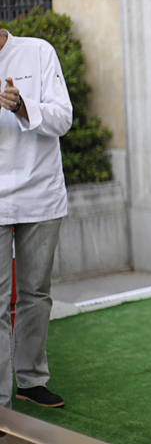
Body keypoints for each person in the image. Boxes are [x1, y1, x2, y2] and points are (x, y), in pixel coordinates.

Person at [0, 28, 72, 411]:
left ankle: (30, 380)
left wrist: (20, 105)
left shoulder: (38, 52)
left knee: (35, 294)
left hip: (40, 192)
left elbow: (63, 119)